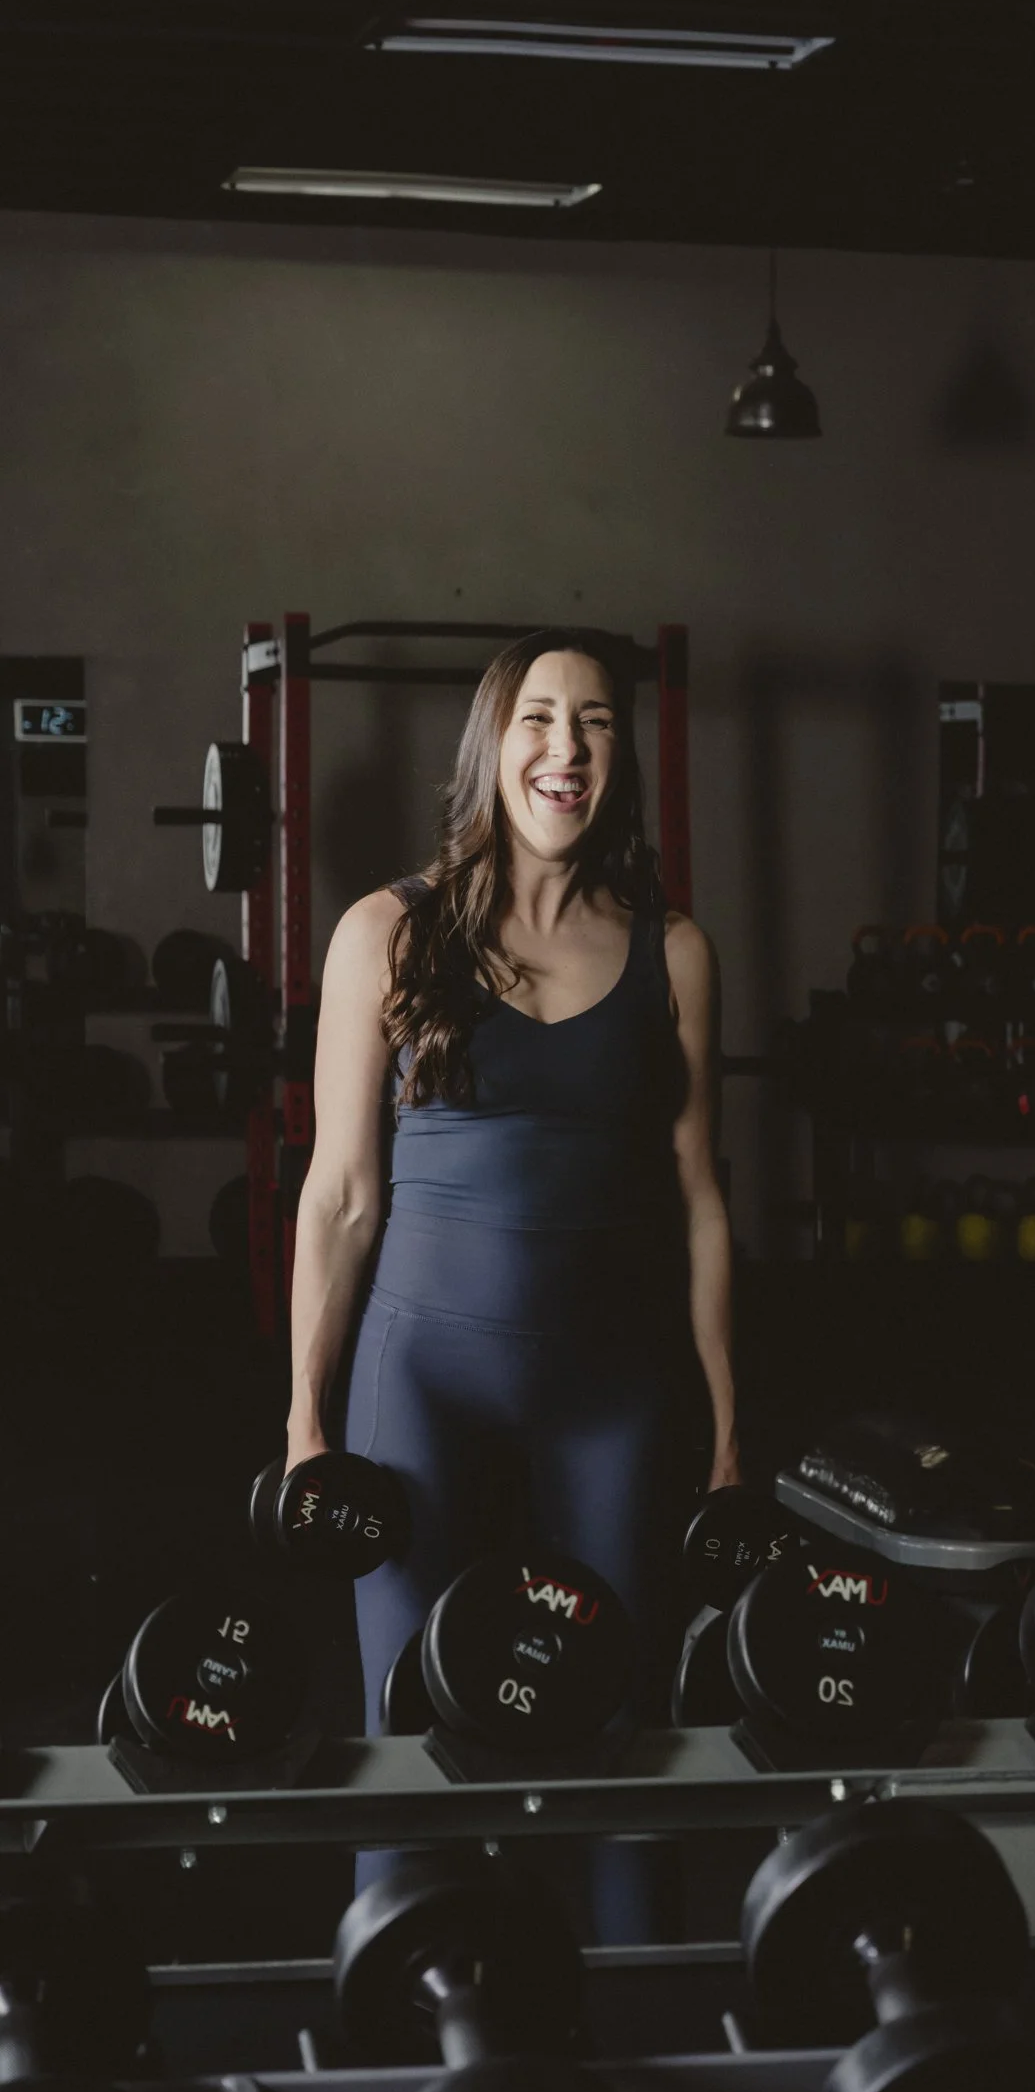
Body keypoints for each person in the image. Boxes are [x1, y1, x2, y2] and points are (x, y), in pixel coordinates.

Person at [283, 626, 738, 1803]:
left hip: (614, 1394)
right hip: (418, 1384)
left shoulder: (673, 954)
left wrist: (731, 1428)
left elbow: (698, 1199)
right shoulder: (386, 932)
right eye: (539, 716)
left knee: (620, 1730)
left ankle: (635, 1979)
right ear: (494, 744)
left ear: (618, 757)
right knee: (404, 1729)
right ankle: (408, 1974)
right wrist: (302, 1417)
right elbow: (339, 1193)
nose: (566, 745)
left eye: (594, 720)